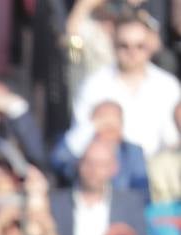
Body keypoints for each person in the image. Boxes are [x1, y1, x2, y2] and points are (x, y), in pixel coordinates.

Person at [71, 9, 181, 157]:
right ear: (114, 44)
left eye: (139, 46)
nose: (132, 52)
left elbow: (174, 140)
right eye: (124, 46)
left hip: (160, 170)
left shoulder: (168, 86)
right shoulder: (94, 86)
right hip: (113, 170)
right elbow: (77, 142)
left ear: (150, 46)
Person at [49, 137, 150, 235]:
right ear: (79, 164)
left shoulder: (130, 203)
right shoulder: (56, 202)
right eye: (89, 163)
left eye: (101, 164)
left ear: (114, 168)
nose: (94, 170)